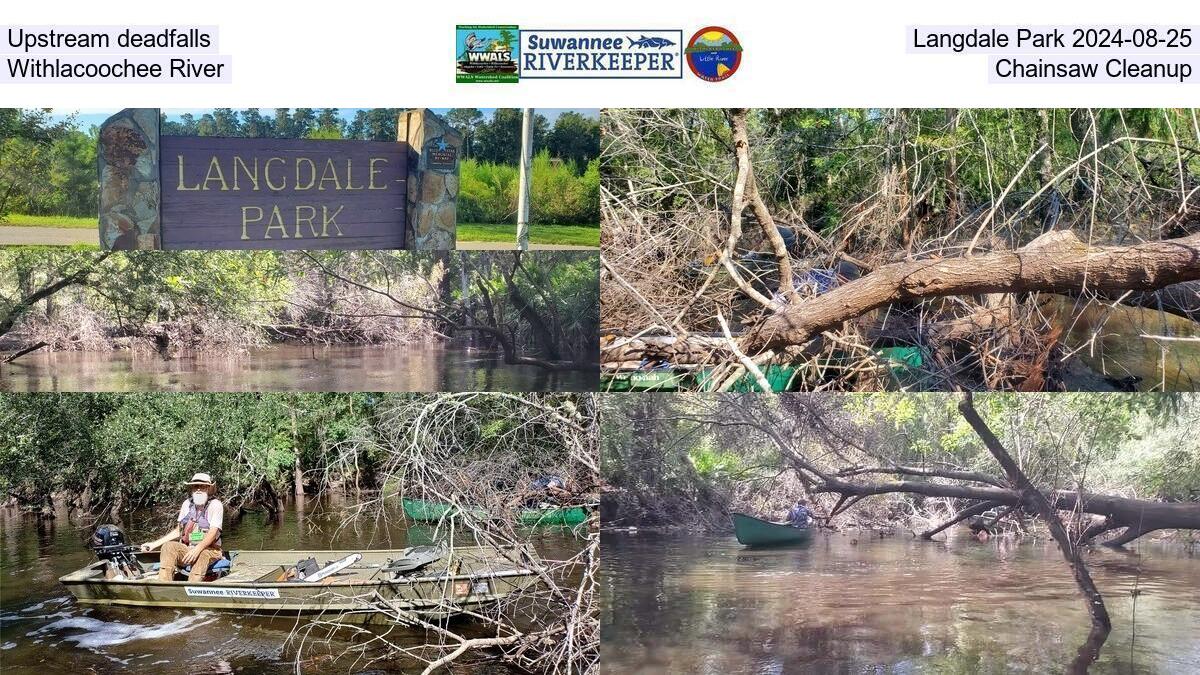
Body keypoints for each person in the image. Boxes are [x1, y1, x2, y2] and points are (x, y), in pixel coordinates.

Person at [140, 473, 225, 582]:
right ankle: (163, 585)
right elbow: (178, 531)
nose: (198, 489)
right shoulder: (187, 504)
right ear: (192, 489)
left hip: (210, 550)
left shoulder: (215, 505)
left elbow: (213, 533)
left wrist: (197, 549)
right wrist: (153, 544)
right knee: (168, 547)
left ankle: (192, 587)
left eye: (202, 486)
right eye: (195, 486)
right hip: (188, 548)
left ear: (208, 488)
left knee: (202, 554)